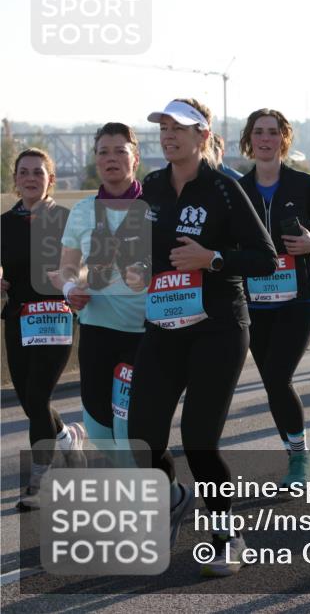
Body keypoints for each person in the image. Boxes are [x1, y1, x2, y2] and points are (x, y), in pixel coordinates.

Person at [125, 98, 277, 577]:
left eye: (179, 128)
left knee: (198, 441)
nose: (168, 135)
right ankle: (172, 499)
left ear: (202, 134)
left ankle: (225, 531)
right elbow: (137, 251)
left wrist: (211, 259)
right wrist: (133, 268)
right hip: (164, 325)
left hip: (218, 327)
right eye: (163, 127)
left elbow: (265, 259)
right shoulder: (149, 187)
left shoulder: (225, 188)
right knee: (141, 438)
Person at [238, 109, 310, 485]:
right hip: (255, 302)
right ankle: (298, 452)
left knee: (278, 377)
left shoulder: (303, 184)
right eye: (258, 132)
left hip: (298, 299)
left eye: (273, 132)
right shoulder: (238, 189)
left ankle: (299, 459)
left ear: (283, 138)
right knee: (273, 383)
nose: (265, 139)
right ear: (249, 140)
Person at [53, 123, 148, 463]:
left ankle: (147, 501)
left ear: (134, 158)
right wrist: (70, 288)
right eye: (103, 152)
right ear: (95, 161)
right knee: (98, 431)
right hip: (96, 330)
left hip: (142, 333)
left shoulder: (154, 209)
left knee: (127, 430)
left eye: (120, 151)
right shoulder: (82, 211)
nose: (111, 159)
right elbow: (66, 267)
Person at [1, 149, 84, 510]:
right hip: (20, 318)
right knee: (29, 399)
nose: (31, 177)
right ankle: (65, 438)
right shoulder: (3, 223)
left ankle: (40, 478)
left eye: (39, 171)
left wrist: (73, 280)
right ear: (16, 179)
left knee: (37, 396)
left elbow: (85, 266)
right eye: (24, 172)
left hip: (56, 316)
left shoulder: (67, 220)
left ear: (50, 178)